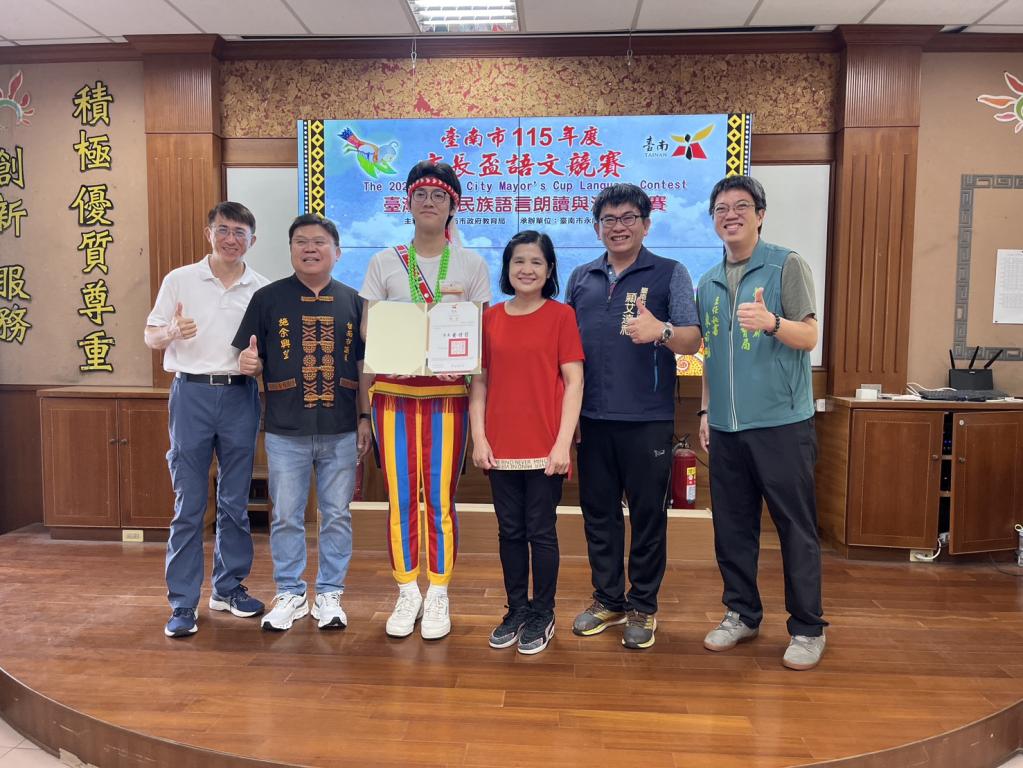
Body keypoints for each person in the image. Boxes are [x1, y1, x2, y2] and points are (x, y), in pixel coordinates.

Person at [697, 174, 827, 671]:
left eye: (741, 206)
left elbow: (809, 336)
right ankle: (742, 613)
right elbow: (711, 355)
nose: (730, 215)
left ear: (760, 215)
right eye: (721, 208)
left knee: (795, 528)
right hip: (727, 429)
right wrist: (706, 411)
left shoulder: (785, 264)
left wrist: (772, 322)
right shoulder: (708, 280)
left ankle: (808, 627)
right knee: (732, 528)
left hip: (781, 424)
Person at [565, 183, 701, 650]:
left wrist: (661, 330)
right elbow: (566, 351)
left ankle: (643, 605)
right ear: (596, 227)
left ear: (646, 224)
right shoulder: (581, 277)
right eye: (609, 219)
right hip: (592, 418)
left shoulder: (669, 272)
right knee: (598, 515)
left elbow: (691, 340)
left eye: (628, 218)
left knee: (647, 517)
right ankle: (608, 600)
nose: (618, 227)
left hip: (647, 418)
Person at [359, 160, 491, 640]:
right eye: (420, 194)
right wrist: (399, 339)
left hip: (447, 398)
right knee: (399, 497)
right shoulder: (384, 261)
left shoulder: (471, 264)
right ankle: (405, 589)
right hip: (393, 397)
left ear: (453, 206)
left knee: (438, 497)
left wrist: (460, 355)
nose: (429, 202)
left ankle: (438, 589)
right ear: (408, 203)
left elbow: (477, 335)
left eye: (439, 195)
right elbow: (369, 328)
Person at [232, 214, 372, 632]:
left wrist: (365, 416)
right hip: (285, 429)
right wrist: (248, 363)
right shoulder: (267, 299)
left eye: (319, 242)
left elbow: (364, 366)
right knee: (287, 516)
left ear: (337, 252)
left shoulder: (355, 301)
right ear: (291, 249)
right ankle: (290, 593)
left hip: (341, 428)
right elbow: (248, 357)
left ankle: (329, 593)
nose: (310, 248)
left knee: (336, 515)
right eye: (301, 242)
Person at [145, 201, 270, 638]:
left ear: (252, 240)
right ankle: (182, 603)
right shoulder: (179, 279)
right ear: (208, 233)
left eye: (240, 232)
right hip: (191, 394)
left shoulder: (262, 289)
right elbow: (151, 335)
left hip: (240, 396)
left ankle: (228, 587)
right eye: (223, 230)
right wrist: (171, 332)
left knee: (234, 502)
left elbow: (266, 354)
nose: (231, 239)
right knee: (189, 503)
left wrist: (258, 364)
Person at [469, 231, 584, 655]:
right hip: (499, 447)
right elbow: (479, 384)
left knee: (541, 532)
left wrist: (563, 444)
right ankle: (517, 609)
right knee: (510, 532)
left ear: (550, 269)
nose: (527, 269)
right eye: (519, 261)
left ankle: (543, 612)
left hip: (545, 446)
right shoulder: (490, 319)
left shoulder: (561, 316)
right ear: (507, 268)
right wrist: (479, 438)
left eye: (536, 262)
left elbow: (574, 382)